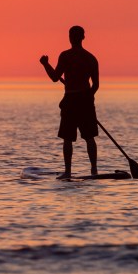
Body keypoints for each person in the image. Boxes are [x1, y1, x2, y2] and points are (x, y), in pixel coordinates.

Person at [39, 26, 99, 179]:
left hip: (72, 102)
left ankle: (69, 171)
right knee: (89, 137)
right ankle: (94, 170)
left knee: (68, 138)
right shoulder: (91, 58)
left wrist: (45, 64)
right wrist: (88, 98)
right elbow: (96, 85)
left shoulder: (66, 56)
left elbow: (54, 77)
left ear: (71, 38)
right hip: (83, 102)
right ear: (83, 38)